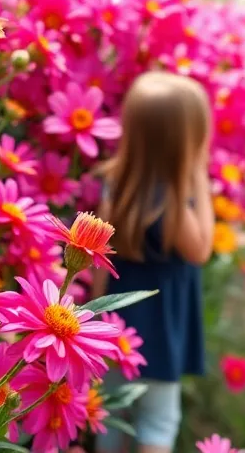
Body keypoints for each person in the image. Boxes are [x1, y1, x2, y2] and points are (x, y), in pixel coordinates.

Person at [94, 71, 215, 453]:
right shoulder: (173, 204)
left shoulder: (116, 189)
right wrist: (197, 177)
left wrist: (92, 325)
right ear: (186, 144)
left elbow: (97, 267)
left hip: (114, 334)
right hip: (159, 338)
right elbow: (202, 250)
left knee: (109, 419)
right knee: (158, 424)